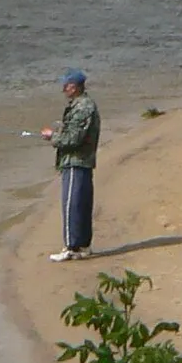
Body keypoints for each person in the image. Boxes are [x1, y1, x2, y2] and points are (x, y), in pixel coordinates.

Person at [44, 68, 100, 262]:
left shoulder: (83, 107)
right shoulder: (84, 105)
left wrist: (53, 136)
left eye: (66, 85)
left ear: (74, 87)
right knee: (82, 204)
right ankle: (83, 245)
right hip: (82, 161)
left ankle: (72, 247)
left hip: (76, 162)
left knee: (72, 205)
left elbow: (72, 139)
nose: (63, 89)